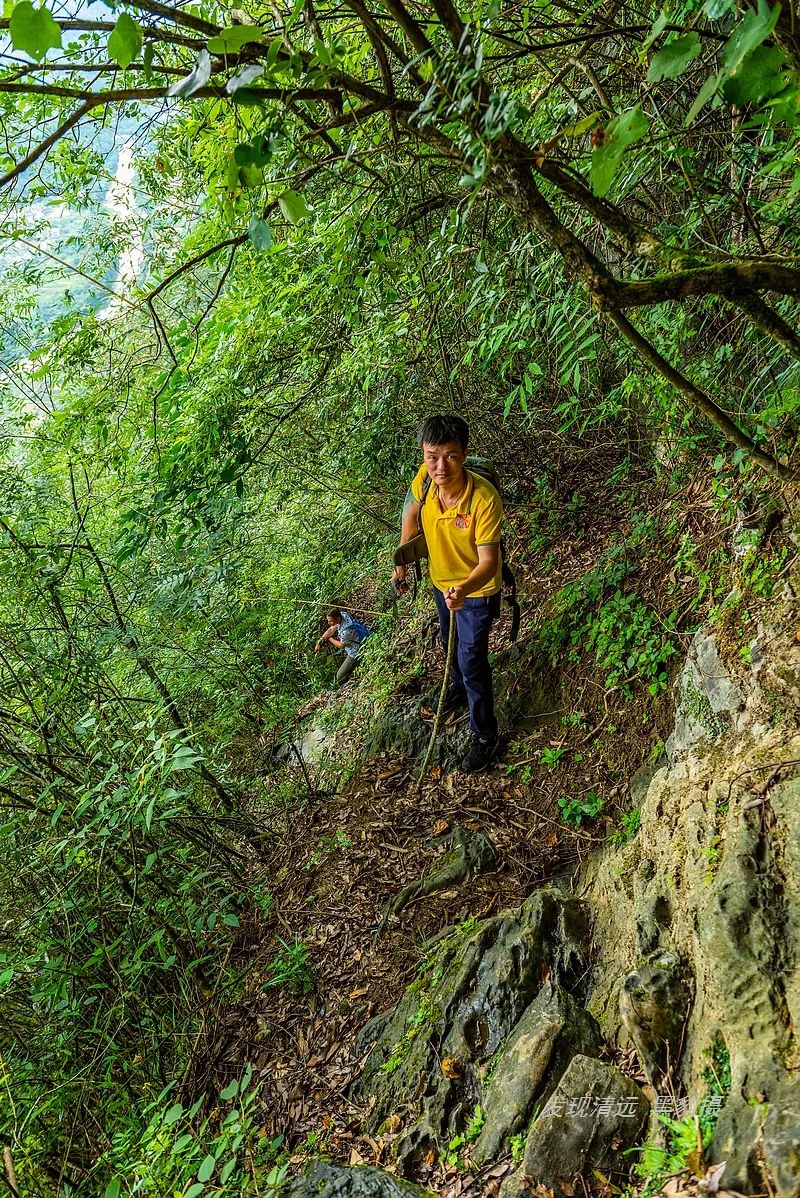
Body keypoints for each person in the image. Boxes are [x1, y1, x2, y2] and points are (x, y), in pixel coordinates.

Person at [392, 414, 502, 773]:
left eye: (451, 456)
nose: (440, 466)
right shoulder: (425, 480)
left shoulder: (483, 500)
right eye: (432, 456)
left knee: (473, 661)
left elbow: (488, 561)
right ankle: (455, 687)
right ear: (424, 456)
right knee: (447, 640)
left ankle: (486, 735)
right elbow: (411, 513)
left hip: (477, 590)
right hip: (442, 584)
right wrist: (402, 559)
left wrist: (464, 589)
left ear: (465, 454)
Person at [314, 607, 370, 686]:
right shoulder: (343, 615)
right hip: (356, 643)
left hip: (356, 652)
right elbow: (331, 629)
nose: (329, 623)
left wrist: (330, 639)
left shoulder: (347, 631)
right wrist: (320, 641)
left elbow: (341, 645)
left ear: (337, 619)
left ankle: (353, 687)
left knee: (340, 677)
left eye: (331, 621)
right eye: (328, 620)